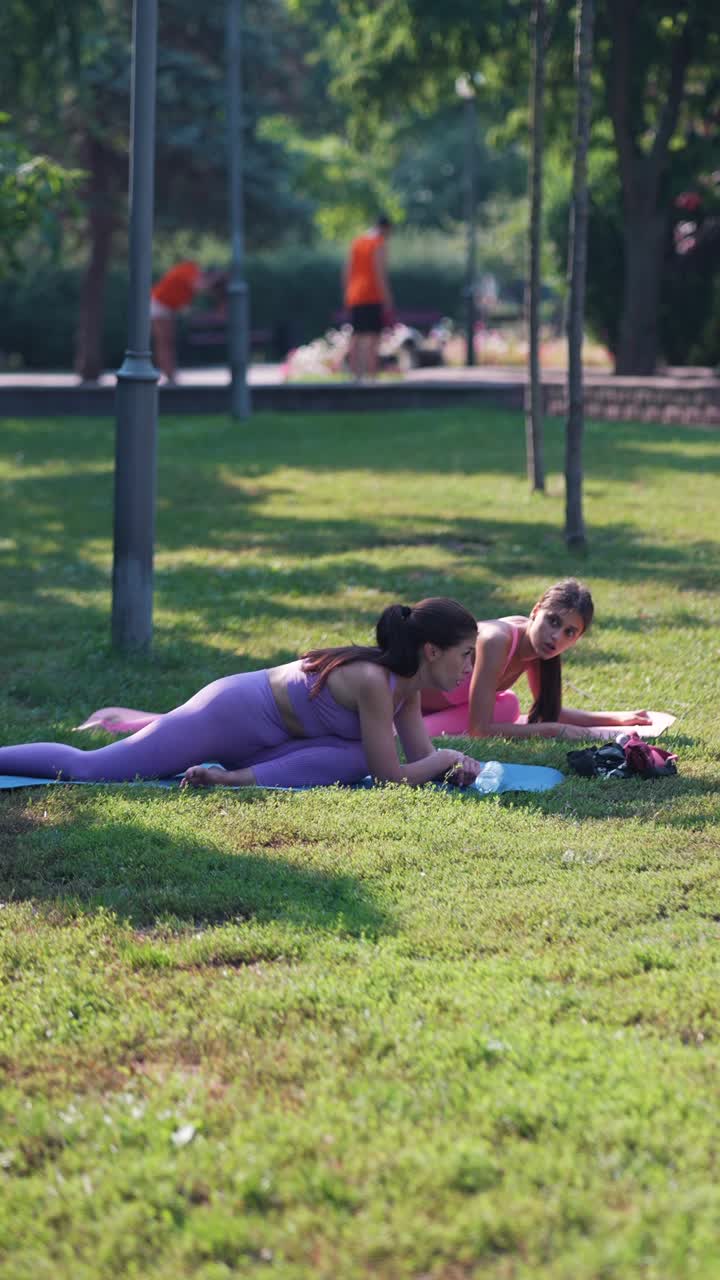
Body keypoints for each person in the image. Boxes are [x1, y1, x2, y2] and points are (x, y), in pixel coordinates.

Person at [0, 600, 483, 790]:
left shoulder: (408, 689)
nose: (470, 668)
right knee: (90, 771)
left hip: (266, 743)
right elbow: (391, 777)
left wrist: (452, 769)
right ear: (432, 650)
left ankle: (232, 780)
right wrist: (444, 758)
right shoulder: (377, 683)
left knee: (354, 755)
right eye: (465, 655)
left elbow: (422, 760)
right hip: (227, 713)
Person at [421, 578, 652, 741]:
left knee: (509, 705)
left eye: (569, 633)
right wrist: (552, 730)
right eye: (553, 621)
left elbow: (550, 710)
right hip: (403, 703)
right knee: (502, 712)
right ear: (536, 610)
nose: (556, 637)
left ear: (577, 639)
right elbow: (479, 731)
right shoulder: (496, 640)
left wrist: (617, 718)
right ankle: (397, 730)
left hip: (438, 708)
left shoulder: (538, 653)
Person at [150, 261, 219, 383]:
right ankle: (168, 374)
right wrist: (214, 281)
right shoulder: (191, 269)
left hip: (168, 307)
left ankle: (170, 374)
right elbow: (198, 285)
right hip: (159, 304)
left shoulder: (191, 285)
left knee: (169, 342)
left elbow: (182, 301)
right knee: (164, 342)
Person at [343, 215, 394, 380]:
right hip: (372, 295)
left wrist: (347, 293)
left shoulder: (357, 242)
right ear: (386, 228)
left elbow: (347, 271)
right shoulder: (378, 243)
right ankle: (372, 377)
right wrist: (387, 298)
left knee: (356, 336)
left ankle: (355, 375)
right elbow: (380, 273)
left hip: (355, 295)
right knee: (373, 337)